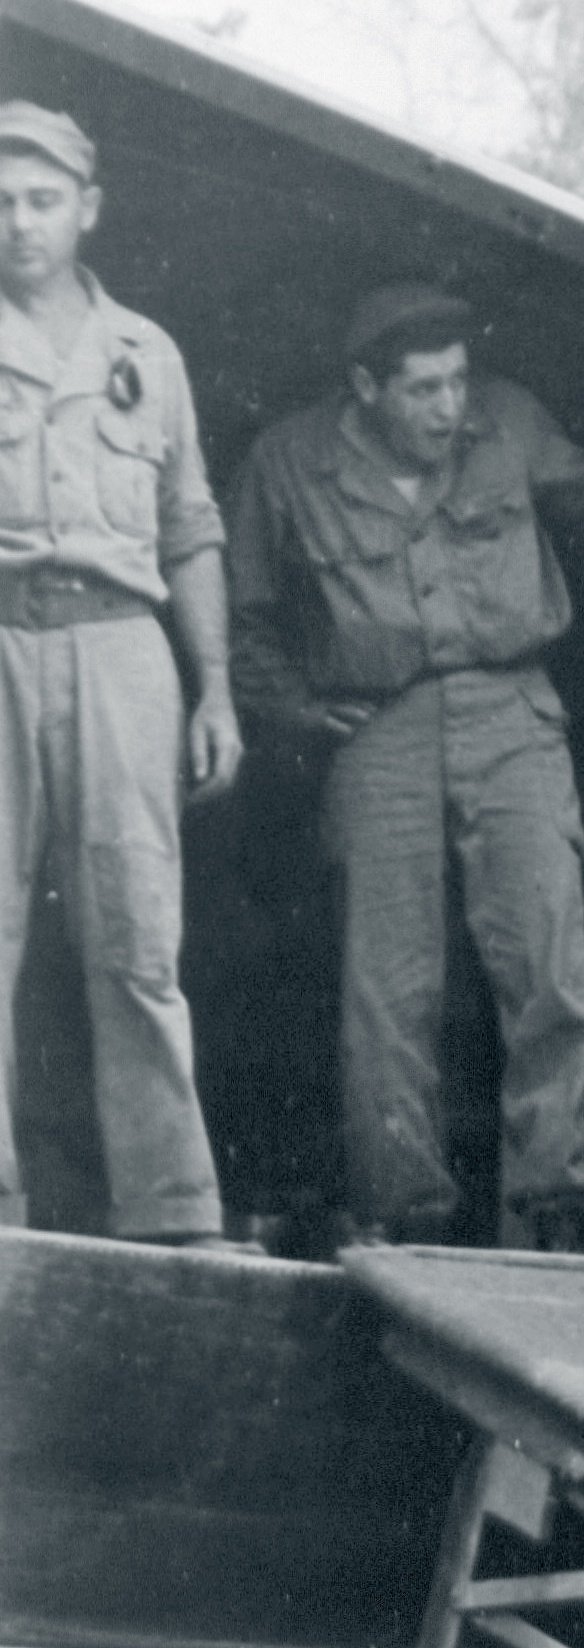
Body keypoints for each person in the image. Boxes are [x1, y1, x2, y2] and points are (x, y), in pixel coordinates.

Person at [227, 282, 584, 1248]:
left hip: (511, 711)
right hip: (378, 728)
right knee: (388, 988)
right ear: (364, 387)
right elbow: (245, 612)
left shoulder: (507, 422)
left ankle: (554, 1205)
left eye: (456, 382)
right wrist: (299, 715)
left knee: (546, 956)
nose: (448, 407)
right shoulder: (288, 461)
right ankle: (405, 1217)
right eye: (422, 390)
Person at [0, 99, 241, 1242]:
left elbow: (190, 527)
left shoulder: (147, 353)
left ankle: (173, 1211)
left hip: (121, 650)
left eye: (42, 199)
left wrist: (218, 691)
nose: (18, 222)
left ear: (87, 208)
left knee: (139, 937)